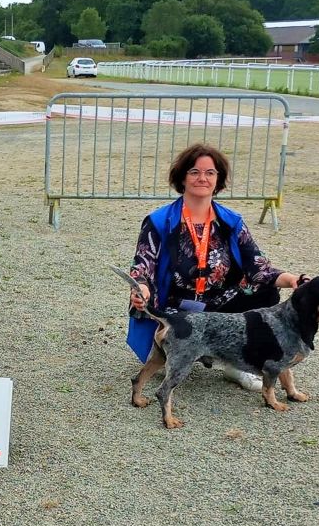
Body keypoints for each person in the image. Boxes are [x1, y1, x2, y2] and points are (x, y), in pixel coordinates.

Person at [126, 142, 302, 391]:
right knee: (164, 359)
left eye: (210, 173)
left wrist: (293, 279)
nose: (203, 178)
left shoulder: (230, 221)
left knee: (267, 292)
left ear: (218, 180)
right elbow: (142, 266)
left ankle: (237, 363)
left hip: (218, 305)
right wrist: (141, 289)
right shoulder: (159, 221)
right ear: (182, 177)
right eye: (195, 172)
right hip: (173, 309)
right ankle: (165, 348)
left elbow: (258, 265)